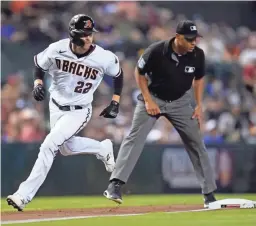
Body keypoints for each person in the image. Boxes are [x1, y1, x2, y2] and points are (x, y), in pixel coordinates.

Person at [7, 14, 124, 211]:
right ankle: (102, 148)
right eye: (84, 34)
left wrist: (115, 102)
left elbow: (118, 75)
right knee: (65, 148)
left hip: (79, 111)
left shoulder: (103, 57)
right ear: (73, 34)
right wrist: (37, 83)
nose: (88, 38)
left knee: (49, 145)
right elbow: (39, 65)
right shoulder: (57, 49)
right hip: (55, 105)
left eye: (90, 34)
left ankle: (23, 196)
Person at [103, 20, 217, 208]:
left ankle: (209, 194)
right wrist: (148, 100)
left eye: (195, 39)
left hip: (180, 102)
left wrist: (198, 105)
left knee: (197, 144)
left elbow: (199, 79)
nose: (193, 43)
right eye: (189, 39)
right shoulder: (156, 51)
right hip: (154, 98)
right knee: (134, 138)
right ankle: (115, 185)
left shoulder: (197, 54)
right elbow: (139, 73)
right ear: (178, 37)